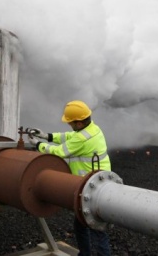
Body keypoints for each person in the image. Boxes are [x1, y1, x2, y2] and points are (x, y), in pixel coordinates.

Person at [28, 100, 111, 256]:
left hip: (93, 187)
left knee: (96, 229)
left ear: (79, 123)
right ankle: (84, 254)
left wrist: (39, 145)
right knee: (82, 224)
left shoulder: (82, 139)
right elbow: (69, 137)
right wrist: (47, 136)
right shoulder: (92, 129)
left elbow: (60, 152)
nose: (69, 125)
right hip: (95, 182)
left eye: (70, 123)